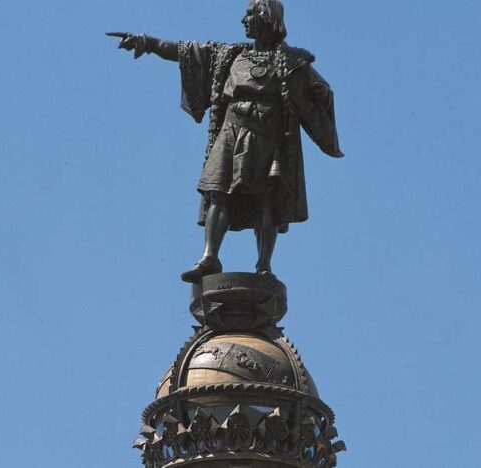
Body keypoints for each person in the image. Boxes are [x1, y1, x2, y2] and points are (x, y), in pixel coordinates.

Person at [108, 0, 343, 283]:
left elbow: (321, 91)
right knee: (217, 193)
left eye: (249, 14)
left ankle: (264, 265)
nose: (243, 20)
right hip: (231, 130)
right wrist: (147, 42)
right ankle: (209, 257)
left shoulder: (293, 61)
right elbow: (187, 52)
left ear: (266, 18)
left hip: (267, 134)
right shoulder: (230, 55)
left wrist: (319, 93)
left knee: (265, 200)